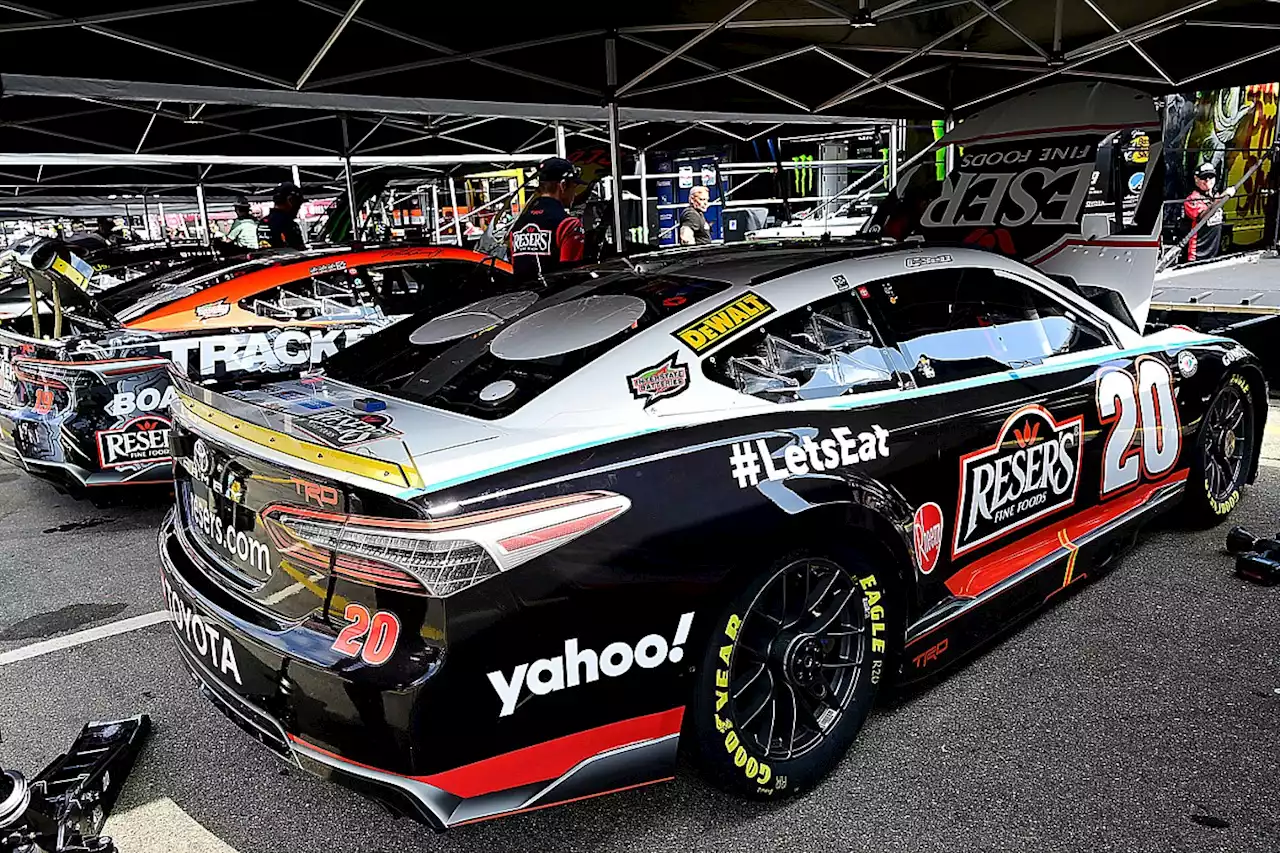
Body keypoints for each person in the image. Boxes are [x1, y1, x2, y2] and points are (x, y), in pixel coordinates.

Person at [507, 157, 586, 283]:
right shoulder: (569, 225)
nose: (574, 194)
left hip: (524, 299)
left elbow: (515, 266)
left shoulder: (518, 225)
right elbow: (571, 276)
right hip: (557, 299)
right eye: (574, 187)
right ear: (563, 185)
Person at [1183, 161, 1235, 261]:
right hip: (1197, 253)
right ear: (1196, 179)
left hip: (1214, 251)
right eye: (1204, 177)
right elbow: (1202, 216)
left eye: (1211, 176)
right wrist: (1221, 198)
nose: (1207, 180)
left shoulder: (1215, 196)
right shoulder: (1192, 199)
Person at [265, 182, 306, 250]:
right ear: (290, 200)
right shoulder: (288, 224)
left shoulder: (263, 222)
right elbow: (298, 252)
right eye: (298, 204)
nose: (298, 208)